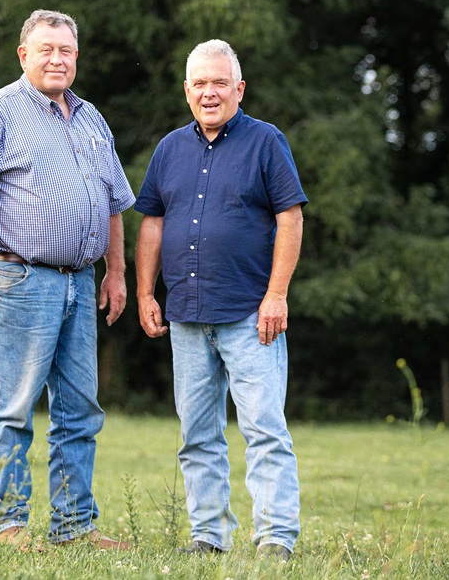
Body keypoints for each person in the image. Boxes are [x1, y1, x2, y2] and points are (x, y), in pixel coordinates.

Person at [0, 9, 134, 549]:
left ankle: (74, 527)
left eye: (66, 50)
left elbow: (115, 203)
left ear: (77, 57)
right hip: (20, 277)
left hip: (80, 280)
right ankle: (8, 524)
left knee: (80, 410)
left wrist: (116, 271)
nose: (57, 58)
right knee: (14, 404)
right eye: (46, 49)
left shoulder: (92, 119)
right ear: (23, 55)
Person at [135, 39, 306, 561]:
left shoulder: (266, 142)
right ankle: (208, 537)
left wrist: (277, 295)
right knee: (197, 436)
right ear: (187, 90)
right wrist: (145, 291)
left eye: (219, 83)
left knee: (264, 429)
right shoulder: (169, 149)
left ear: (239, 88)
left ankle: (275, 538)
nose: (210, 93)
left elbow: (290, 218)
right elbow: (152, 223)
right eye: (200, 84)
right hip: (186, 314)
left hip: (249, 314)